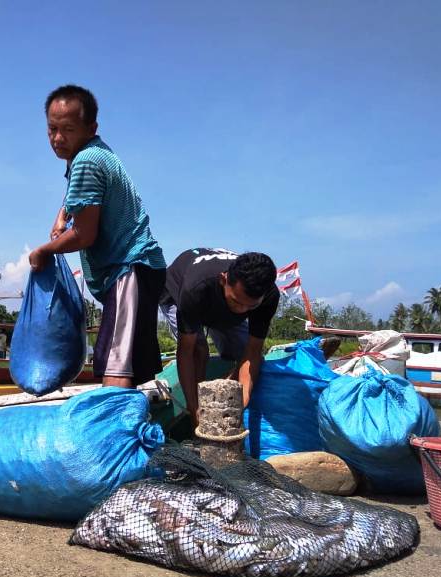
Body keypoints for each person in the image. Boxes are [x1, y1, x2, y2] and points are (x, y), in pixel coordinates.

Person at [29, 84, 166, 388]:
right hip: (140, 269)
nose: (58, 138)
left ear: (90, 128)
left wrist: (46, 251)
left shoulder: (86, 162)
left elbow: (84, 235)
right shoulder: (95, 153)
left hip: (129, 267)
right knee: (125, 364)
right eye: (52, 129)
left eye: (68, 129)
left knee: (116, 367)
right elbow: (79, 198)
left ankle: (112, 432)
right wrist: (62, 214)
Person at [158, 249, 279, 426]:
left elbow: (252, 351)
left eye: (250, 306)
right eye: (236, 301)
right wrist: (195, 410)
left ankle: (222, 391)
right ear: (224, 280)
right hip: (177, 295)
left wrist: (240, 403)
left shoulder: (269, 295)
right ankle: (197, 412)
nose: (242, 310)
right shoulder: (195, 288)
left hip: (220, 308)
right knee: (200, 350)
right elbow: (186, 352)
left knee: (248, 357)